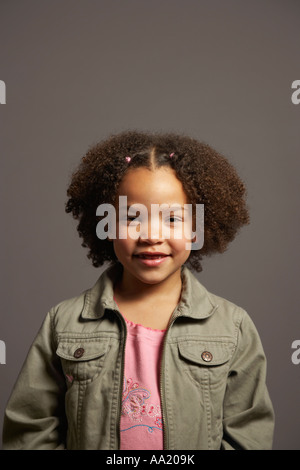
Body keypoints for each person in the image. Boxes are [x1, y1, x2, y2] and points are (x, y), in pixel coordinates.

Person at [2, 130, 275, 450]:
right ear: (105, 225)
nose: (151, 235)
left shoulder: (232, 327)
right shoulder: (64, 323)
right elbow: (30, 428)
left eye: (172, 218)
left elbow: (248, 433)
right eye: (132, 217)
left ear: (199, 227)